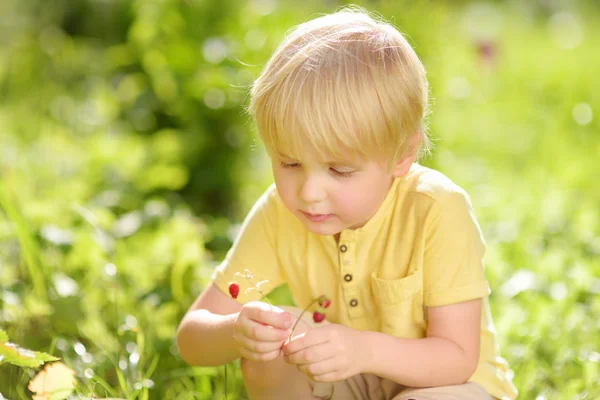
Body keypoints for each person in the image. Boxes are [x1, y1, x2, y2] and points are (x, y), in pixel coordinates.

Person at [177, 6, 518, 400]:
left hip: (453, 387)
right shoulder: (280, 214)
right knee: (267, 359)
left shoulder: (435, 209)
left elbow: (456, 357)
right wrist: (237, 330)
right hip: (347, 378)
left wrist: (364, 349)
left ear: (402, 154)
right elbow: (192, 337)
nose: (309, 192)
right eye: (290, 163)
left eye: (339, 170)